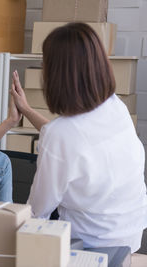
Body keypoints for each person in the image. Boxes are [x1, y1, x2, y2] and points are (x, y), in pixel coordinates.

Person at [11, 22, 147, 252]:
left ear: (56, 74)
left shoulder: (61, 135)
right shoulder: (115, 106)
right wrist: (26, 110)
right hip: (131, 235)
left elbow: (38, 210)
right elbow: (74, 143)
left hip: (91, 244)